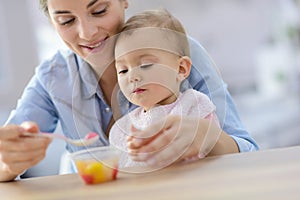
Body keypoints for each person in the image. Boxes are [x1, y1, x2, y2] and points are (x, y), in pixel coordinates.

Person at [0, 0, 258, 182]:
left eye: (99, 10)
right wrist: (9, 161)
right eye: (66, 20)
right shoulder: (53, 76)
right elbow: (4, 155)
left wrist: (207, 135)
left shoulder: (177, 51)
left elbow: (249, 152)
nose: (87, 33)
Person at [109, 9, 221, 170]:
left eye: (146, 64)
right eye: (123, 70)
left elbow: (215, 156)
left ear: (181, 69)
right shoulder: (125, 128)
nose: (132, 76)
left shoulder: (194, 105)